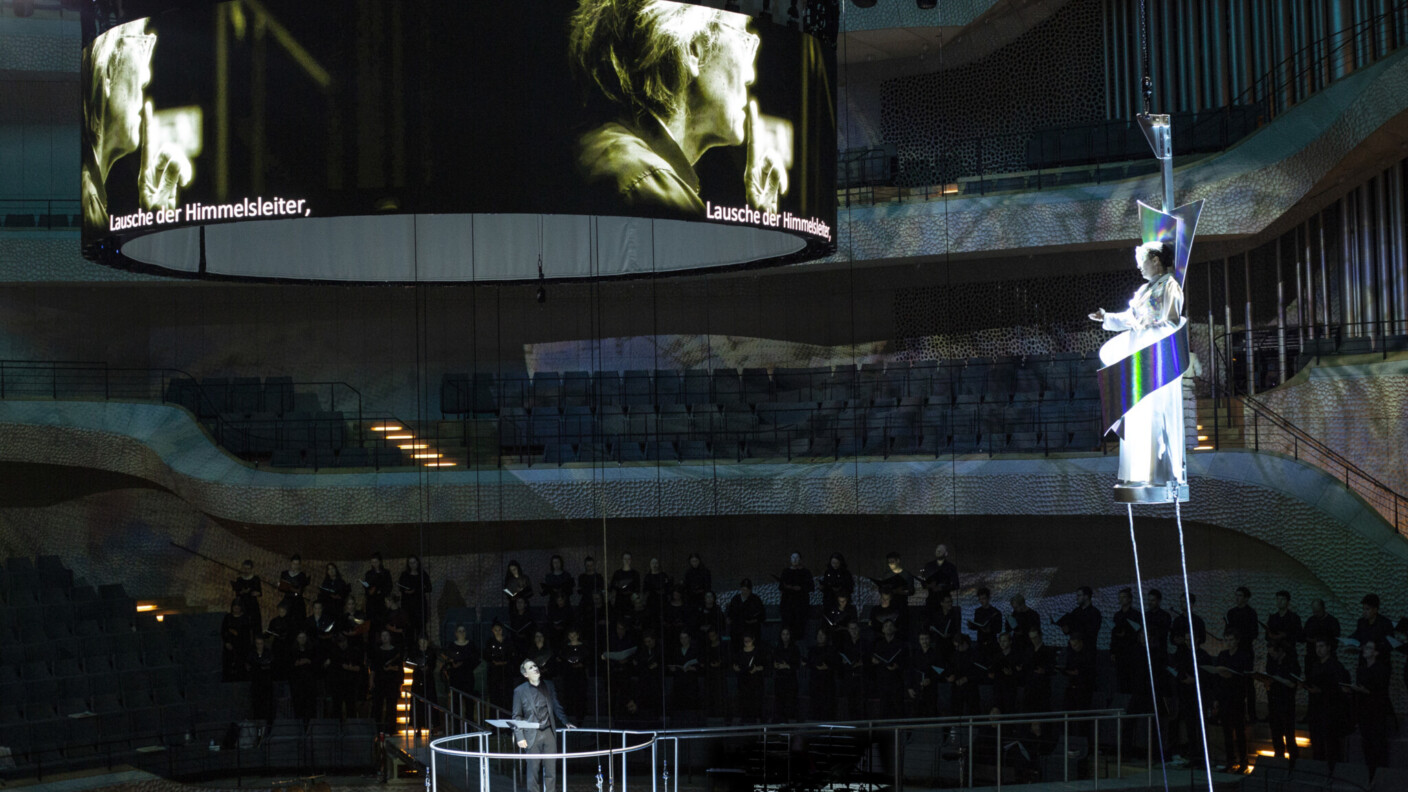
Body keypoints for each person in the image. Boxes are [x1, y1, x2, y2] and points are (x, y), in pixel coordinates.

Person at [569, 1, 786, 218]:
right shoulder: (651, 187)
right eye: (744, 42)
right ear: (694, 49)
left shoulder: (608, 151)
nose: (751, 77)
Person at [1089, 240, 1185, 491]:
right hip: (1138, 354)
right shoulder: (1144, 290)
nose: (1139, 267)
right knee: (1137, 416)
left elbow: (1173, 322)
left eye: (1143, 261)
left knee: (1153, 415)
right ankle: (1138, 472)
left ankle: (1158, 474)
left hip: (1154, 358)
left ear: (1155, 261)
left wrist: (1150, 335)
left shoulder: (1170, 286)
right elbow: (1131, 319)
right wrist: (1107, 317)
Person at [81, 19, 192, 229]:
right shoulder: (87, 208)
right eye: (141, 47)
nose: (147, 76)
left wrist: (154, 222)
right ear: (107, 72)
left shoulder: (89, 195)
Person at [512, 659, 575, 792]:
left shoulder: (549, 685)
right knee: (533, 771)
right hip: (531, 735)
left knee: (551, 771)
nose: (535, 668)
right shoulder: (520, 691)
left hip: (548, 732)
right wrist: (519, 736)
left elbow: (556, 706)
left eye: (535, 666)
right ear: (525, 674)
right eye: (530, 668)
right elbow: (516, 715)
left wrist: (565, 721)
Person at [1210, 630, 1252, 773]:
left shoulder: (1243, 656)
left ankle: (1244, 762)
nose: (1229, 642)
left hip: (1237, 697)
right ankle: (1230, 761)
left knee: (1240, 731)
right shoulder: (1223, 655)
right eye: (1226, 639)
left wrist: (1232, 675)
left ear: (1237, 640)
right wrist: (1216, 699)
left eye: (1231, 639)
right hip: (1224, 697)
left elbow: (1246, 676)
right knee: (1226, 731)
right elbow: (1217, 678)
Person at [1349, 639, 1391, 779]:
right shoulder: (1361, 669)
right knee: (1366, 744)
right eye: (1365, 647)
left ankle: (1381, 776)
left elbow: (1381, 692)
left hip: (1377, 711)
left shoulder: (1381, 669)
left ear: (1376, 652)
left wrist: (1365, 691)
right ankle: (1371, 775)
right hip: (1364, 711)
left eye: (1369, 648)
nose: (1365, 649)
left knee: (1378, 744)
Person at [1304, 637, 1349, 764]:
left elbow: (1340, 689)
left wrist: (1322, 690)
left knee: (1331, 744)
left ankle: (1332, 770)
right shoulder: (1315, 665)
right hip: (1316, 709)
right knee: (1317, 743)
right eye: (1317, 647)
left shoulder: (1335, 666)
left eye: (1322, 646)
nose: (1319, 650)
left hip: (1330, 711)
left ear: (1329, 648)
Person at [1261, 640, 1300, 762]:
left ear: (1281, 651)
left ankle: (1293, 761)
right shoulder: (1272, 661)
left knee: (1289, 734)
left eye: (1273, 653)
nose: (1271, 656)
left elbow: (1293, 683)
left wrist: (1278, 679)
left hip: (1286, 701)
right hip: (1273, 700)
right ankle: (1279, 758)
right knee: (1276, 732)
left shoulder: (1291, 662)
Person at [369, 629, 405, 731]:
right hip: (379, 681)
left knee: (391, 706)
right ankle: (377, 728)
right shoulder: (377, 651)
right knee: (377, 706)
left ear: (390, 637)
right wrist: (371, 681)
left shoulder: (395, 651)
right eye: (382, 635)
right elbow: (373, 668)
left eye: (386, 635)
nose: (384, 637)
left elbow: (399, 668)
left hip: (392, 682)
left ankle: (391, 728)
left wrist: (391, 669)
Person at [870, 620, 906, 717]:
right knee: (884, 705)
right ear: (882, 629)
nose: (889, 627)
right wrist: (874, 661)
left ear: (895, 628)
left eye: (891, 625)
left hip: (897, 679)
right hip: (883, 679)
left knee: (898, 705)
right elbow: (874, 659)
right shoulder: (879, 644)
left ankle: (900, 729)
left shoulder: (900, 644)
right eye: (886, 626)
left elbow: (906, 661)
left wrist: (897, 665)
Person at [777, 552, 814, 641]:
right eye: (793, 558)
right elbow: (781, 587)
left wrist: (800, 588)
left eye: (797, 558)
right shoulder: (786, 572)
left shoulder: (806, 572)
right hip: (788, 605)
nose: (794, 560)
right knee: (787, 627)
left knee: (800, 628)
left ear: (800, 559)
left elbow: (811, 587)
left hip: (801, 606)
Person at [732, 632, 767, 723]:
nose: (747, 642)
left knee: (755, 702)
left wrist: (757, 668)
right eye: (745, 641)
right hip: (743, 681)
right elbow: (735, 665)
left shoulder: (758, 651)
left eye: (749, 640)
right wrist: (735, 668)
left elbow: (764, 665)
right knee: (744, 702)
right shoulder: (740, 652)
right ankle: (744, 720)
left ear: (753, 640)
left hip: (755, 682)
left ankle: (755, 720)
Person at [441, 624, 481, 702]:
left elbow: (475, 659)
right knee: (456, 701)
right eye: (459, 631)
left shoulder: (471, 645)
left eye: (463, 631)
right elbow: (448, 660)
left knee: (469, 700)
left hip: (468, 677)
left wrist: (465, 664)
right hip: (455, 677)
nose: (461, 633)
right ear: (456, 633)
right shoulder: (451, 646)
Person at [485, 621, 519, 711]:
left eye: (499, 630)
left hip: (506, 673)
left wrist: (505, 662)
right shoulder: (490, 642)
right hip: (494, 673)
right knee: (495, 696)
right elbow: (487, 656)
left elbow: (512, 655)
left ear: (502, 630)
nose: (498, 632)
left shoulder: (508, 641)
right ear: (492, 630)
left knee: (507, 696)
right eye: (495, 630)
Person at [288, 630, 321, 723]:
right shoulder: (293, 651)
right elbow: (290, 665)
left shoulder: (311, 650)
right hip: (297, 683)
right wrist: (298, 663)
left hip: (309, 682)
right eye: (300, 638)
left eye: (303, 637)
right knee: (299, 705)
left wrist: (308, 661)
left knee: (310, 705)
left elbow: (316, 664)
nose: (302, 640)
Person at [667, 628, 702, 716]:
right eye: (681, 638)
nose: (683, 640)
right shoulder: (676, 651)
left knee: (691, 706)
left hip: (691, 681)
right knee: (680, 704)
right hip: (679, 680)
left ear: (689, 638)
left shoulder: (695, 650)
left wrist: (692, 668)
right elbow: (673, 663)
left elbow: (700, 665)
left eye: (685, 638)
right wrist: (673, 668)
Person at [1301, 598, 1340, 674]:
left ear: (1323, 608)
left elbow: (1335, 640)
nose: (1316, 614)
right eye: (1314, 611)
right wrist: (1310, 640)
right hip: (1311, 656)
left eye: (1318, 611)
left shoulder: (1332, 622)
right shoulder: (1311, 620)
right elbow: (1302, 636)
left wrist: (1321, 641)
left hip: (1327, 658)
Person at [771, 626, 802, 721]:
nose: (785, 636)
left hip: (790, 680)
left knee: (790, 702)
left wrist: (787, 666)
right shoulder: (777, 647)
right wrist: (775, 664)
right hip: (780, 679)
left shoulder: (795, 648)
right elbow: (773, 660)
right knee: (779, 702)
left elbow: (797, 664)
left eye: (787, 634)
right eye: (783, 634)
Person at [398, 556, 432, 642]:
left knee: (421, 629)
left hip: (419, 605)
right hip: (408, 606)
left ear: (418, 563)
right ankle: (411, 651)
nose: (412, 565)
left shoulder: (422, 574)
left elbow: (429, 588)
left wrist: (416, 590)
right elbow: (400, 587)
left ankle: (422, 649)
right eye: (410, 563)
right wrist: (406, 591)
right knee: (409, 629)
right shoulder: (404, 575)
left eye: (414, 562)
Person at [408, 635, 438, 731]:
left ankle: (431, 725)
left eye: (424, 642)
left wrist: (428, 668)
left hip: (428, 679)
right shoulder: (415, 652)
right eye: (421, 642)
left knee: (429, 701)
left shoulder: (431, 652)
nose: (423, 644)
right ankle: (418, 727)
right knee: (417, 703)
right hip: (418, 678)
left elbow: (433, 663)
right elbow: (410, 662)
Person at [807, 628, 837, 720]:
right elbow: (809, 663)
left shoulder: (831, 649)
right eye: (818, 634)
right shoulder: (812, 650)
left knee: (827, 709)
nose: (820, 637)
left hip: (828, 684)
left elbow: (834, 665)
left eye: (822, 634)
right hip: (815, 683)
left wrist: (826, 667)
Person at [724, 579, 765, 646]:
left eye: (747, 590)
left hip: (751, 630)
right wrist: (729, 619)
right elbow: (730, 613)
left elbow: (762, 616)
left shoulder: (756, 600)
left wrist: (753, 621)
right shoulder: (736, 599)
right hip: (737, 631)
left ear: (750, 590)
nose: (745, 592)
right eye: (743, 589)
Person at [247, 634, 276, 726]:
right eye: (257, 644)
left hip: (266, 683)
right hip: (256, 683)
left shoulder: (268, 653)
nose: (259, 645)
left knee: (267, 705)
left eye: (261, 643)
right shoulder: (252, 654)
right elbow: (250, 666)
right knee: (257, 704)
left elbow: (270, 664)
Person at [222, 600, 252, 681]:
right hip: (229, 647)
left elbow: (246, 635)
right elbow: (223, 631)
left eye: (238, 606)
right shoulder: (228, 617)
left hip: (241, 647)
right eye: (235, 606)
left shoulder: (245, 618)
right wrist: (227, 642)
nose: (236, 608)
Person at [363, 552, 393, 633]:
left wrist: (381, 591)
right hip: (371, 603)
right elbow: (366, 586)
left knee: (382, 624)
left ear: (380, 562)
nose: (374, 564)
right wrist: (369, 589)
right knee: (372, 626)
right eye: (372, 562)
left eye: (376, 562)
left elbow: (389, 587)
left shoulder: (386, 573)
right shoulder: (369, 574)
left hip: (382, 602)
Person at [968, 587, 1001, 659]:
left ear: (988, 598)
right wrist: (971, 626)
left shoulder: (996, 612)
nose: (981, 601)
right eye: (980, 599)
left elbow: (999, 629)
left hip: (991, 642)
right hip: (980, 641)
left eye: (983, 598)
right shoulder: (978, 611)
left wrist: (990, 630)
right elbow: (976, 626)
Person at [231, 559, 263, 630]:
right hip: (242, 604)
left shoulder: (255, 579)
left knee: (254, 622)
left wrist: (255, 593)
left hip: (252, 604)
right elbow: (237, 593)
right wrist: (243, 592)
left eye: (248, 569)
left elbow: (260, 592)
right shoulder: (239, 579)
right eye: (244, 568)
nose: (246, 570)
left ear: (251, 569)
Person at [277, 554, 310, 624]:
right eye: (294, 564)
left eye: (297, 564)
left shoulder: (301, 575)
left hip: (297, 601)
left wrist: (290, 587)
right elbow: (281, 587)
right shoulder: (285, 573)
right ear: (291, 563)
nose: (295, 566)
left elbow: (300, 590)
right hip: (287, 599)